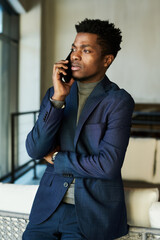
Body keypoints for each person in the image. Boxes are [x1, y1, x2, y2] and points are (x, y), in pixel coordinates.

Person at [23, 18, 134, 240]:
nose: (74, 55)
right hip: (47, 210)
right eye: (74, 48)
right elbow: (35, 149)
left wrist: (57, 157)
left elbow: (107, 165)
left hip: (90, 216)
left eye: (86, 50)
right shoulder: (55, 94)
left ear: (106, 59)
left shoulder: (118, 100)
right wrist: (57, 99)